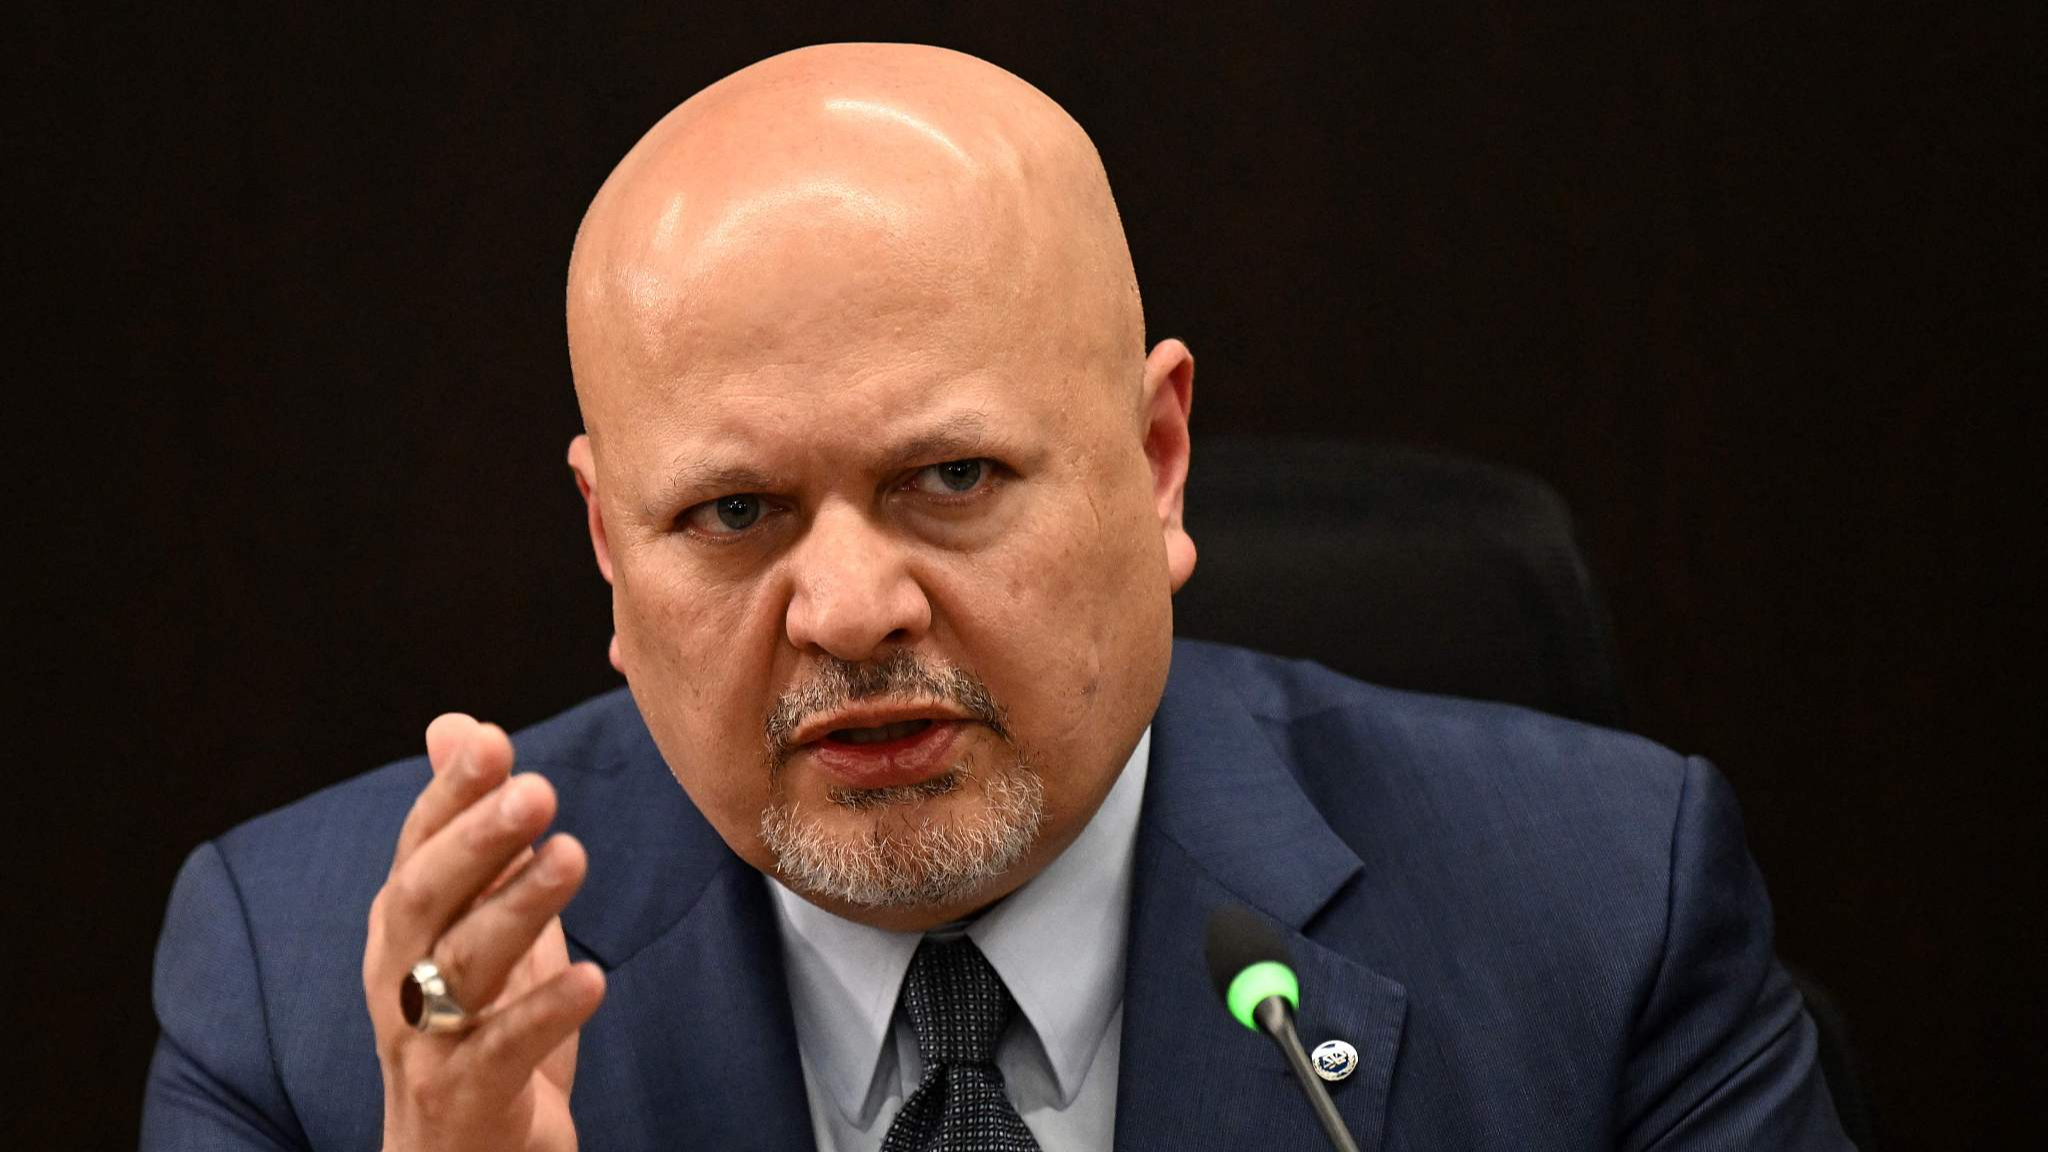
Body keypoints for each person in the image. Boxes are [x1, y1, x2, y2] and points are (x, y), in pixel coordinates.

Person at [143, 43, 1852, 1152]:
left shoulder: (1601, 915)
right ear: (608, 544)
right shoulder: (311, 1002)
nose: (850, 606)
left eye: (947, 480)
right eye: (734, 512)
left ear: (1161, 457)